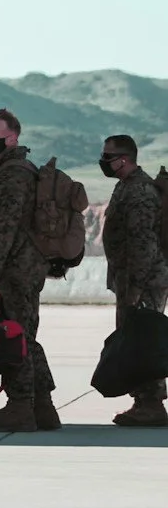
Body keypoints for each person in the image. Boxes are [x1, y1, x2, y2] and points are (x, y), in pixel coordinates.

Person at [0, 108, 58, 432]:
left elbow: (3, 228)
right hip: (20, 266)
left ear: (13, 138)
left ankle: (21, 406)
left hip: (15, 269)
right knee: (25, 336)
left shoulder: (14, 175)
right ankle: (44, 406)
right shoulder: (8, 170)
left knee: (15, 337)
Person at [100, 135, 168, 427]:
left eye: (109, 155)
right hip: (132, 280)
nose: (104, 160)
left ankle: (150, 404)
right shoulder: (126, 186)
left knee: (145, 340)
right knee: (138, 340)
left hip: (143, 282)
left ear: (124, 159)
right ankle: (144, 401)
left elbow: (144, 244)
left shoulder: (140, 191)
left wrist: (136, 288)